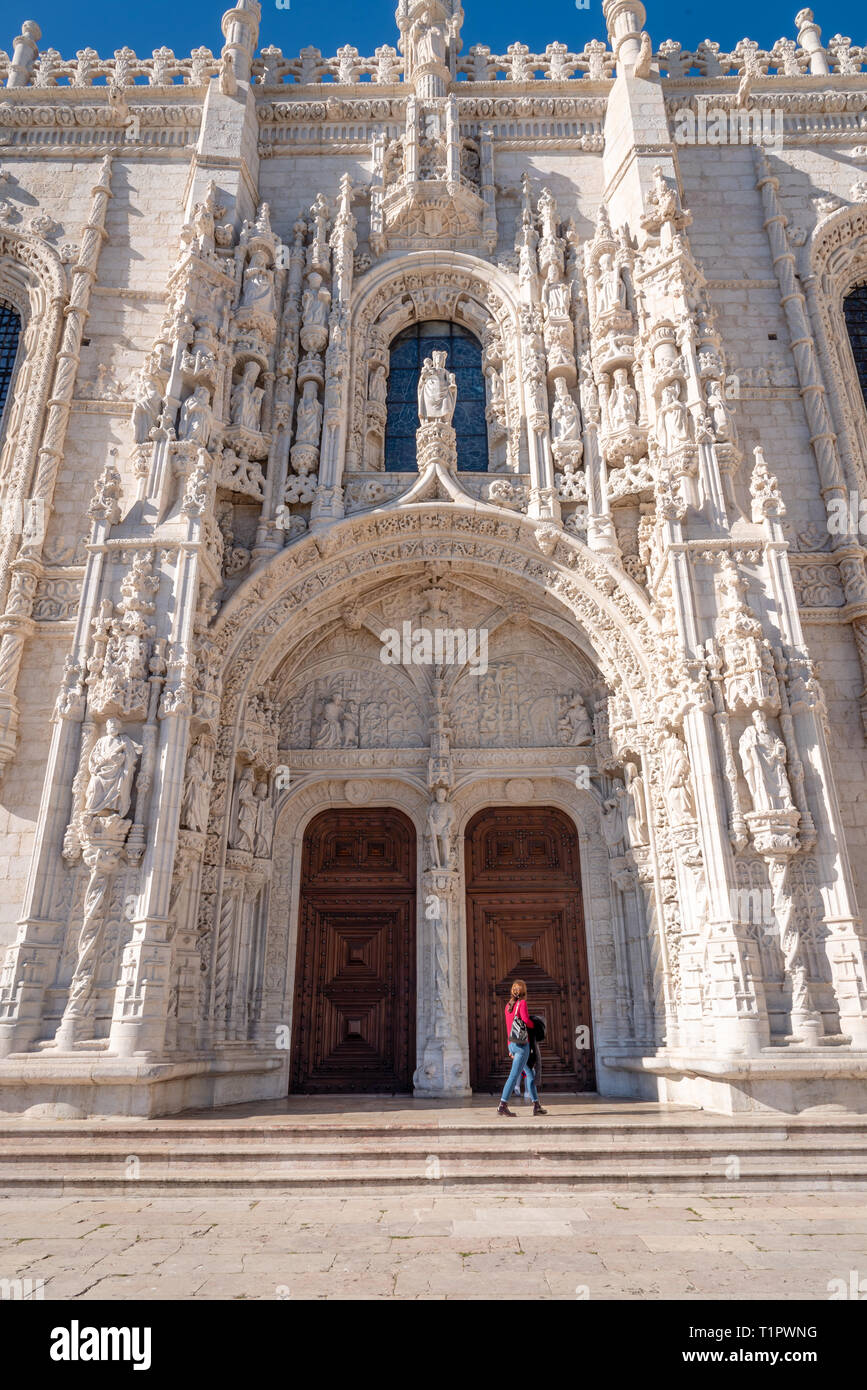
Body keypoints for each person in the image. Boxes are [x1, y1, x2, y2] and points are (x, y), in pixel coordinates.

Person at [498, 979, 547, 1117]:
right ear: (524, 992)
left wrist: (509, 1048)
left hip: (512, 1044)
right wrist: (536, 1024)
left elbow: (509, 1028)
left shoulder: (508, 1006)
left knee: (529, 1074)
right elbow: (526, 1021)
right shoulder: (522, 1003)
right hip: (521, 1046)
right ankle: (502, 1105)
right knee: (514, 1076)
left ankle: (536, 1105)